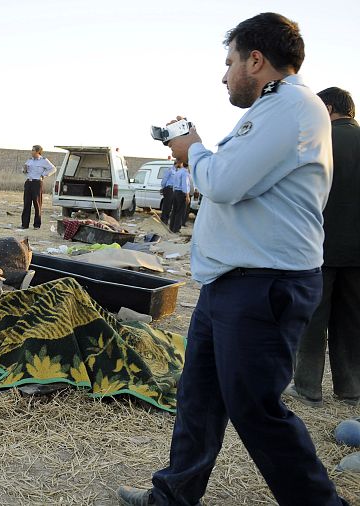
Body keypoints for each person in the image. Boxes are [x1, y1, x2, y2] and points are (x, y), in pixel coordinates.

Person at [118, 13, 349, 506]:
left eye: (230, 63)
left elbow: (221, 182)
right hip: (233, 283)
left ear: (257, 60)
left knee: (255, 409)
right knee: (199, 397)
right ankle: (173, 496)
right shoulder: (271, 110)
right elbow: (232, 177)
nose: (225, 76)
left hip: (264, 286)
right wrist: (203, 154)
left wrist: (192, 146)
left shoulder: (293, 108)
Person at [285, 87, 360, 407]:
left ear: (328, 108)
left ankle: (308, 387)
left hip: (319, 247)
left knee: (313, 319)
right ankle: (351, 387)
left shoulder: (318, 142)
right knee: (353, 320)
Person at [19, 145, 56, 230]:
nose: (31, 152)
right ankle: (24, 224)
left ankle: (37, 225)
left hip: (37, 183)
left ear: (38, 151)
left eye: (33, 150)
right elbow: (24, 170)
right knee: (26, 203)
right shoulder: (29, 160)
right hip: (29, 182)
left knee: (37, 204)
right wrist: (24, 170)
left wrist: (44, 175)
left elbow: (53, 169)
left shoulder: (43, 161)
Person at [167, 162, 190, 233]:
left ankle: (171, 227)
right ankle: (176, 229)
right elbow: (185, 185)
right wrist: (187, 196)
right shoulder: (185, 173)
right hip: (181, 193)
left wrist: (174, 191)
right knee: (180, 212)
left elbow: (174, 183)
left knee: (174, 211)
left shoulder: (178, 172)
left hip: (175, 192)